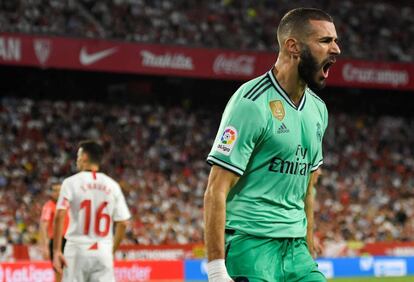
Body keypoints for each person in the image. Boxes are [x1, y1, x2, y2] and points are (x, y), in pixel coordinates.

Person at [204, 7, 340, 282]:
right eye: (325, 41)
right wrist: (217, 271)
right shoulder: (251, 103)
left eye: (335, 40)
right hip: (250, 245)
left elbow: (307, 191)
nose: (336, 49)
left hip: (295, 250)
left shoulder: (318, 110)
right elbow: (215, 189)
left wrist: (308, 251)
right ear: (293, 46)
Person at [53, 140, 131, 282]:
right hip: (103, 250)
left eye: (78, 156)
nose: (76, 160)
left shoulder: (70, 183)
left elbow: (59, 214)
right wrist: (111, 250)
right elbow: (123, 223)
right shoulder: (112, 185)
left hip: (77, 250)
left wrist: (56, 250)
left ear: (84, 157)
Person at [39, 181, 70, 282]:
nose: (58, 193)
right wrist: (44, 247)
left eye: (60, 190)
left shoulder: (67, 204)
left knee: (70, 270)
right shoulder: (49, 206)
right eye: (55, 190)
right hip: (56, 241)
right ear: (51, 193)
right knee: (59, 271)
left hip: (70, 240)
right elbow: (44, 226)